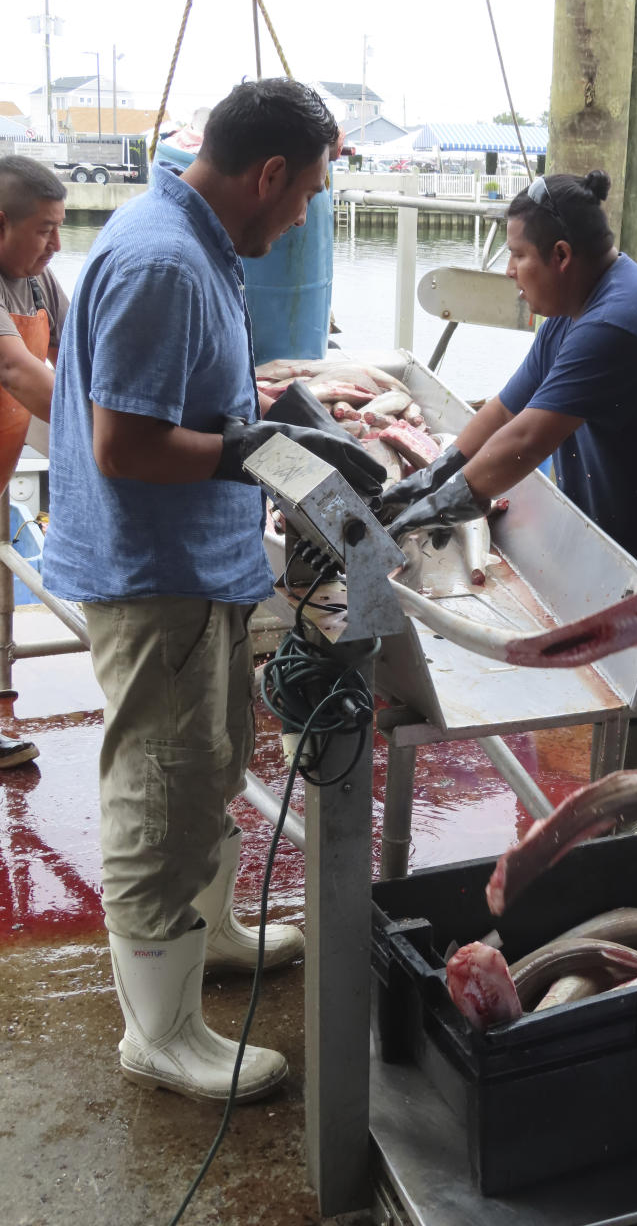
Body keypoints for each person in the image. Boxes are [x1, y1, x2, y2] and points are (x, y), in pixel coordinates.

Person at [42, 79, 386, 1104]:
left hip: (206, 564)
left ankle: (214, 933)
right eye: (309, 193)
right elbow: (128, 444)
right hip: (158, 577)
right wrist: (255, 452)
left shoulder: (195, 242)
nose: (305, 214)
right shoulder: (161, 259)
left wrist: (284, 412)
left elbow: (194, 396)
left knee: (210, 762)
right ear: (270, 172)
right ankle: (161, 1029)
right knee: (160, 786)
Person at [386, 169, 637, 784]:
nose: (508, 272)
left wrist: (435, 509)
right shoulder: (574, 313)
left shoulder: (616, 324)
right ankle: (623, 846)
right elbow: (503, 411)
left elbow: (524, 442)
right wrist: (430, 474)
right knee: (629, 707)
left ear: (561, 255)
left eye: (517, 256)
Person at [0, 156, 68, 769]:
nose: (55, 244)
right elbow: (16, 369)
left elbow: (84, 351)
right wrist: (113, 428)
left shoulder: (42, 284)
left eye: (61, 227)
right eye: (43, 229)